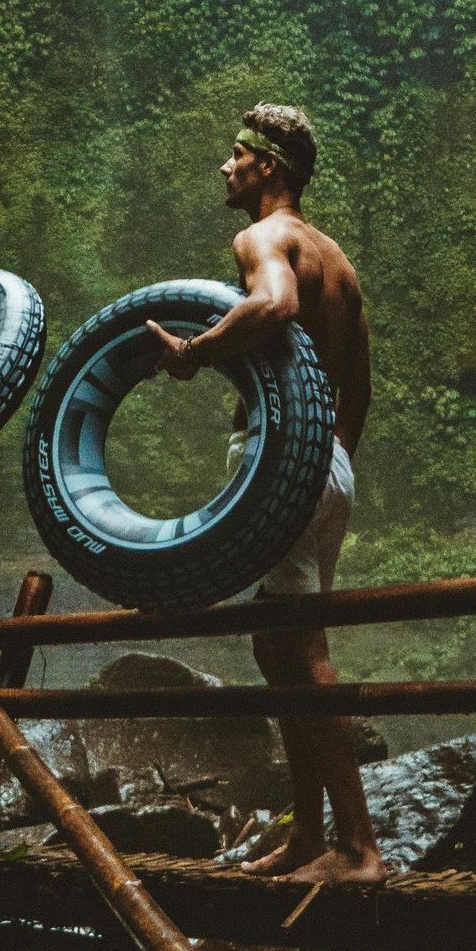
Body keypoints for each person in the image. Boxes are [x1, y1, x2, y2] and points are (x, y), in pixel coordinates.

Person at [148, 104, 384, 885]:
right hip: (327, 464)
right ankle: (313, 834)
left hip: (288, 461)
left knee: (299, 647)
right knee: (275, 642)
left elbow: (275, 305)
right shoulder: (339, 260)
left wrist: (195, 351)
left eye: (235, 156)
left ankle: (357, 848)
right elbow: (359, 384)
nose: (225, 167)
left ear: (267, 168)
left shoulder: (264, 239)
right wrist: (325, 458)